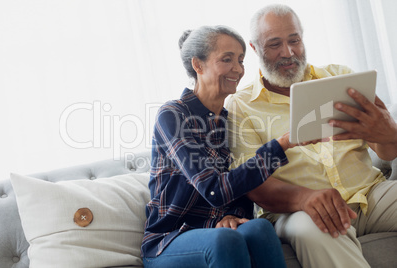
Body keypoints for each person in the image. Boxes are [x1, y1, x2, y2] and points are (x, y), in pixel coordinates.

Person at [225, 4, 397, 268]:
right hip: (296, 210)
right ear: (255, 48)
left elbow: (386, 152)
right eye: (274, 44)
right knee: (315, 227)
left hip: (370, 194)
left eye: (294, 40)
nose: (288, 52)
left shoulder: (340, 76)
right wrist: (303, 197)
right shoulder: (241, 105)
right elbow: (249, 181)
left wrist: (390, 133)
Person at [141, 25, 292, 268]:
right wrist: (281, 145)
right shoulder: (173, 116)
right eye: (227, 59)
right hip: (170, 239)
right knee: (225, 239)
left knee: (260, 228)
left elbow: (241, 182)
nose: (238, 69)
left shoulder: (232, 121)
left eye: (241, 60)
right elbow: (213, 189)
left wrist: (234, 216)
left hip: (218, 231)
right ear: (198, 66)